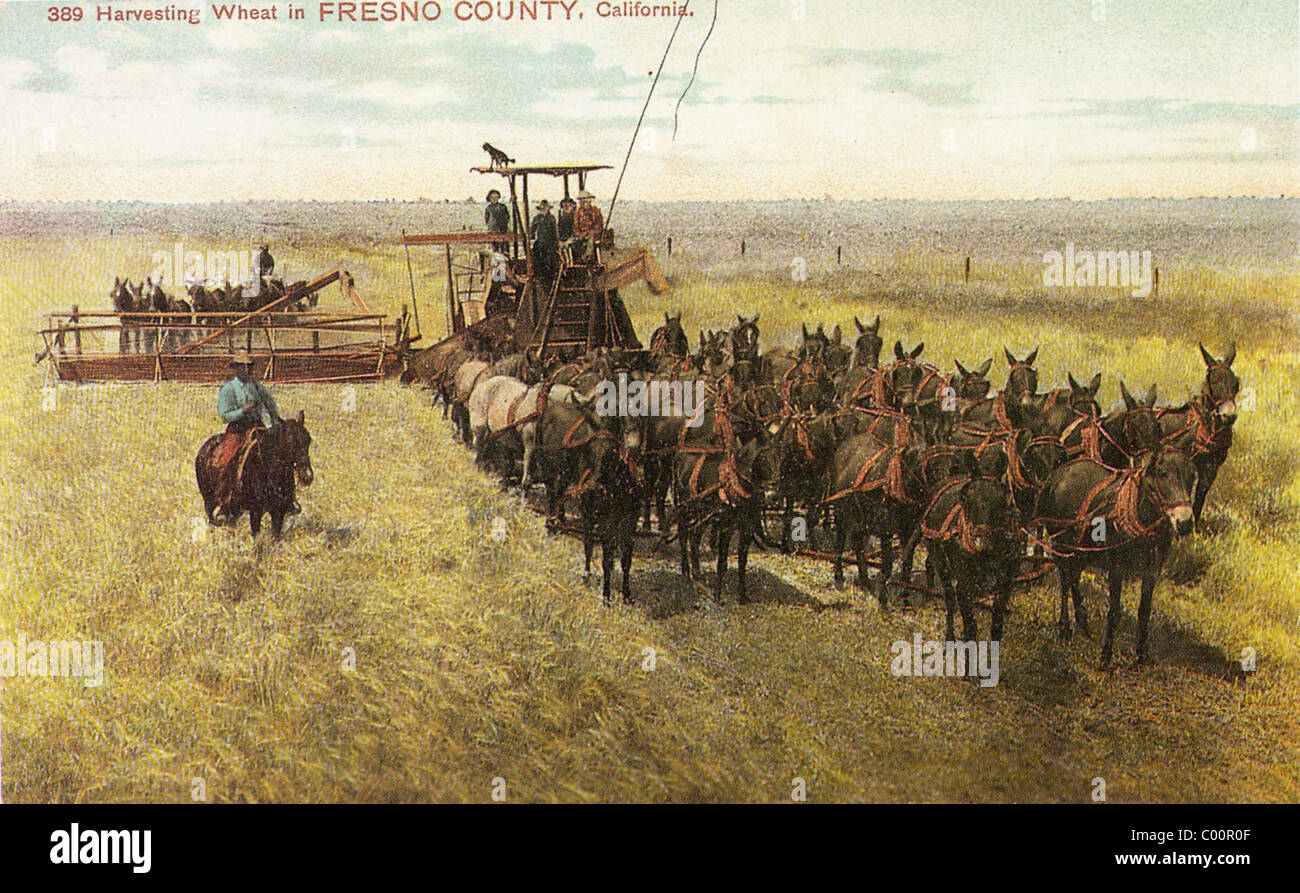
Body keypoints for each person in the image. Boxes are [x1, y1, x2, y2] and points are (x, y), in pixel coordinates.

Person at [211, 350, 298, 522]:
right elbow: (224, 415)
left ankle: (289, 499)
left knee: (281, 455)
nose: (245, 370)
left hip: (257, 426)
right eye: (241, 366)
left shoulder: (256, 386)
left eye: (248, 366)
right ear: (235, 368)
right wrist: (242, 410)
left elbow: (270, 404)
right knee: (226, 460)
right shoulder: (228, 389)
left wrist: (274, 420)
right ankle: (223, 502)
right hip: (237, 430)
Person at [530, 199, 560, 281]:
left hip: (550, 241)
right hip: (540, 241)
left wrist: (556, 242)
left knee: (550, 257)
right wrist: (531, 235)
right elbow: (533, 229)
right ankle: (538, 274)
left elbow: (555, 231)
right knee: (536, 255)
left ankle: (550, 275)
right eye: (542, 208)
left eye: (545, 207)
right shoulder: (537, 218)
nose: (544, 209)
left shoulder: (551, 218)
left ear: (548, 208)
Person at [572, 189, 605, 261]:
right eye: (583, 202)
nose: (585, 203)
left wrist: (592, 231)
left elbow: (599, 224)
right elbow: (576, 226)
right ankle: (575, 259)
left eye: (587, 201)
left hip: (594, 234)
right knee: (573, 242)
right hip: (582, 234)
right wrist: (581, 234)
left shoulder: (595, 211)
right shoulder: (578, 212)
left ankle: (587, 256)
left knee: (591, 236)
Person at [484, 189, 510, 254]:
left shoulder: (503, 207)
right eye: (492, 197)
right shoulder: (488, 208)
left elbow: (507, 217)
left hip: (503, 230)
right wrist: (490, 227)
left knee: (504, 248)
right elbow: (487, 219)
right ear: (489, 198)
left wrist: (504, 225)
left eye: (496, 197)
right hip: (493, 230)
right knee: (495, 249)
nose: (494, 199)